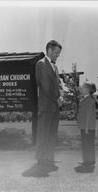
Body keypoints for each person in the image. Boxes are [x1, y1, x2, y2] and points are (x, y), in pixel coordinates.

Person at [35, 40, 63, 171]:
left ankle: (49, 157)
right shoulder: (40, 64)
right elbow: (46, 86)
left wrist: (61, 95)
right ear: (49, 50)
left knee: (52, 133)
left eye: (59, 53)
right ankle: (41, 159)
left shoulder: (55, 67)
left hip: (55, 106)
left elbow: (58, 85)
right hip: (46, 106)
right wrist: (57, 99)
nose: (57, 55)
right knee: (44, 133)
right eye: (56, 53)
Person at [77, 82, 97, 168]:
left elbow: (88, 115)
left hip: (88, 127)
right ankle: (87, 160)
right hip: (86, 126)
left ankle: (89, 160)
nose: (81, 89)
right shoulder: (85, 99)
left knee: (88, 144)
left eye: (82, 87)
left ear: (87, 90)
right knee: (86, 144)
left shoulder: (89, 100)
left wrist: (86, 127)